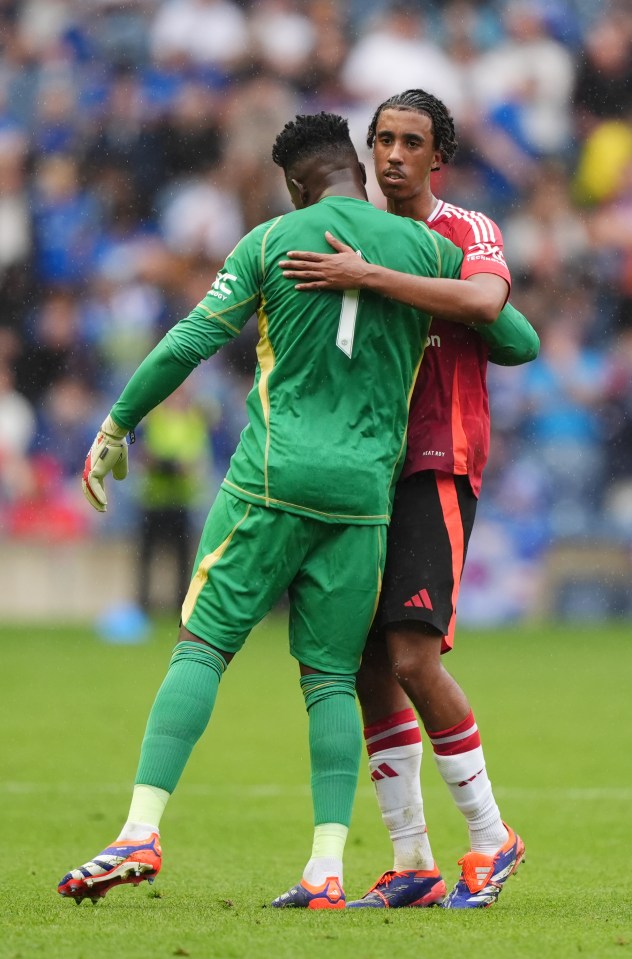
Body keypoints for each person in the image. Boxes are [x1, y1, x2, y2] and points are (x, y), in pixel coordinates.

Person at [57, 111, 477, 911]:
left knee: (202, 645)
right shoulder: (426, 249)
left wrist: (117, 424)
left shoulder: (271, 240)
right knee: (327, 679)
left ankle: (141, 829)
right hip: (363, 501)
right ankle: (326, 869)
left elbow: (189, 342)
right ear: (357, 164)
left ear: (294, 181)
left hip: (270, 482)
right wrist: (414, 287)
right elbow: (513, 331)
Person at [279, 89, 539, 909]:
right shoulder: (341, 234)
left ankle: (493, 838)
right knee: (364, 663)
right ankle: (412, 858)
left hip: (437, 459)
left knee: (412, 655)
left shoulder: (466, 230)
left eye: (411, 142)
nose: (394, 154)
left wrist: (370, 277)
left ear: (439, 157)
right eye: (383, 140)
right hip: (363, 469)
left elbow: (488, 306)